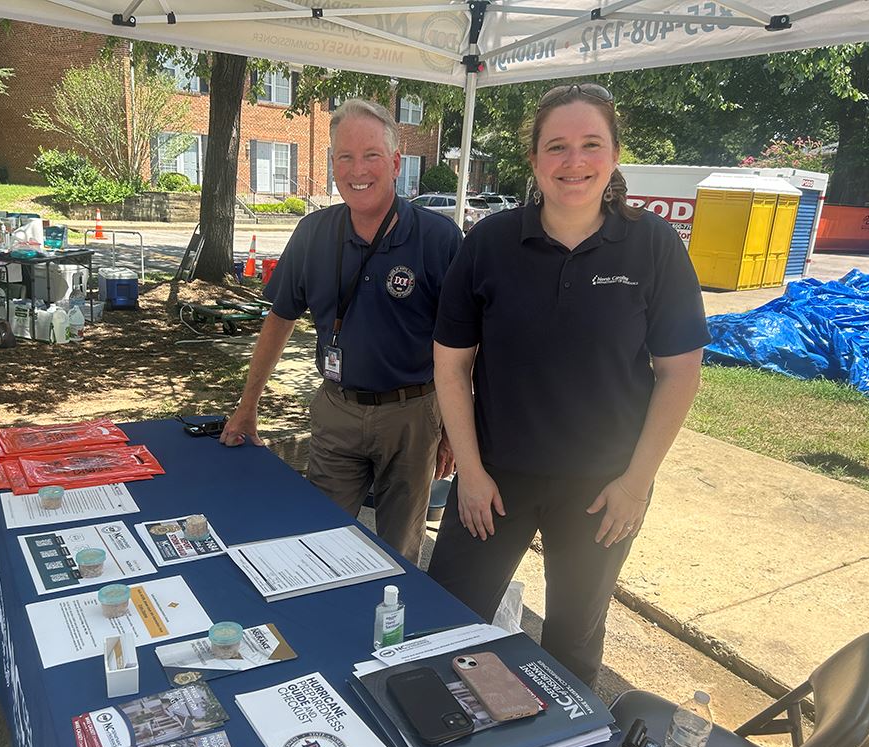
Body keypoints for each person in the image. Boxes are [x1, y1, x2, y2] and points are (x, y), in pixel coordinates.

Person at [427, 83, 710, 686]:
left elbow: (680, 372)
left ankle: (565, 742)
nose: (573, 161)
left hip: (603, 489)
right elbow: (450, 366)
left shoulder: (653, 245)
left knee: (573, 642)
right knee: (446, 622)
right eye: (556, 146)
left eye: (590, 144)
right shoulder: (490, 244)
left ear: (614, 154)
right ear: (534, 159)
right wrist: (469, 473)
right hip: (494, 481)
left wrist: (636, 483)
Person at [220, 99, 462, 563]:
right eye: (344, 157)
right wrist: (248, 405)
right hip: (337, 409)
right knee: (319, 543)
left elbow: (461, 345)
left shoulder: (439, 238)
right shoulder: (313, 232)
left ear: (395, 163)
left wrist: (452, 430)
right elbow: (279, 319)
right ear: (332, 164)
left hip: (412, 415)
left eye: (371, 155)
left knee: (400, 551)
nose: (357, 170)